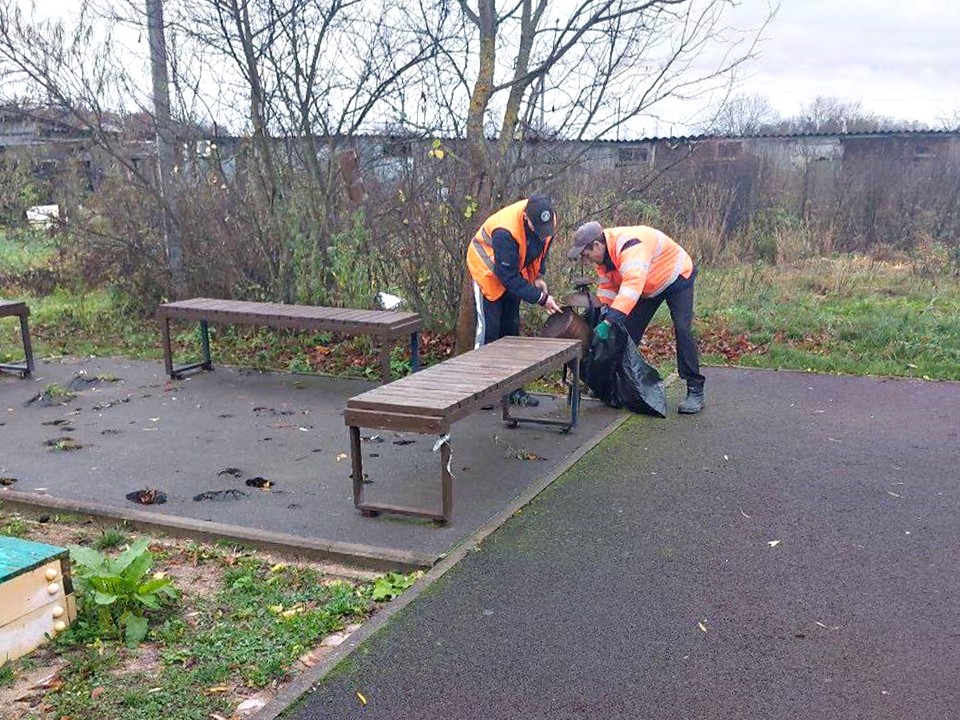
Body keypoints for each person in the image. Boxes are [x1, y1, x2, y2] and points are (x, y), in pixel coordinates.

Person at [566, 220, 705, 414]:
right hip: (648, 286)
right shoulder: (604, 259)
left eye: (587, 255)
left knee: (682, 328)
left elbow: (631, 289)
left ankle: (695, 389)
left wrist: (609, 321)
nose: (587, 260)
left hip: (676, 276)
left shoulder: (630, 247)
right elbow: (608, 290)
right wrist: (601, 315)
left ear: (597, 245)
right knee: (626, 333)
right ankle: (617, 385)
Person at [466, 194, 562, 406]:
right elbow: (507, 276)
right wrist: (541, 298)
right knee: (490, 330)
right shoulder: (504, 231)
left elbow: (541, 251)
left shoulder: (546, 222)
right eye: (536, 228)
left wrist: (538, 277)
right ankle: (482, 391)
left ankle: (512, 389)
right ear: (526, 219)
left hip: (513, 271)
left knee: (511, 329)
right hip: (489, 271)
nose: (541, 232)